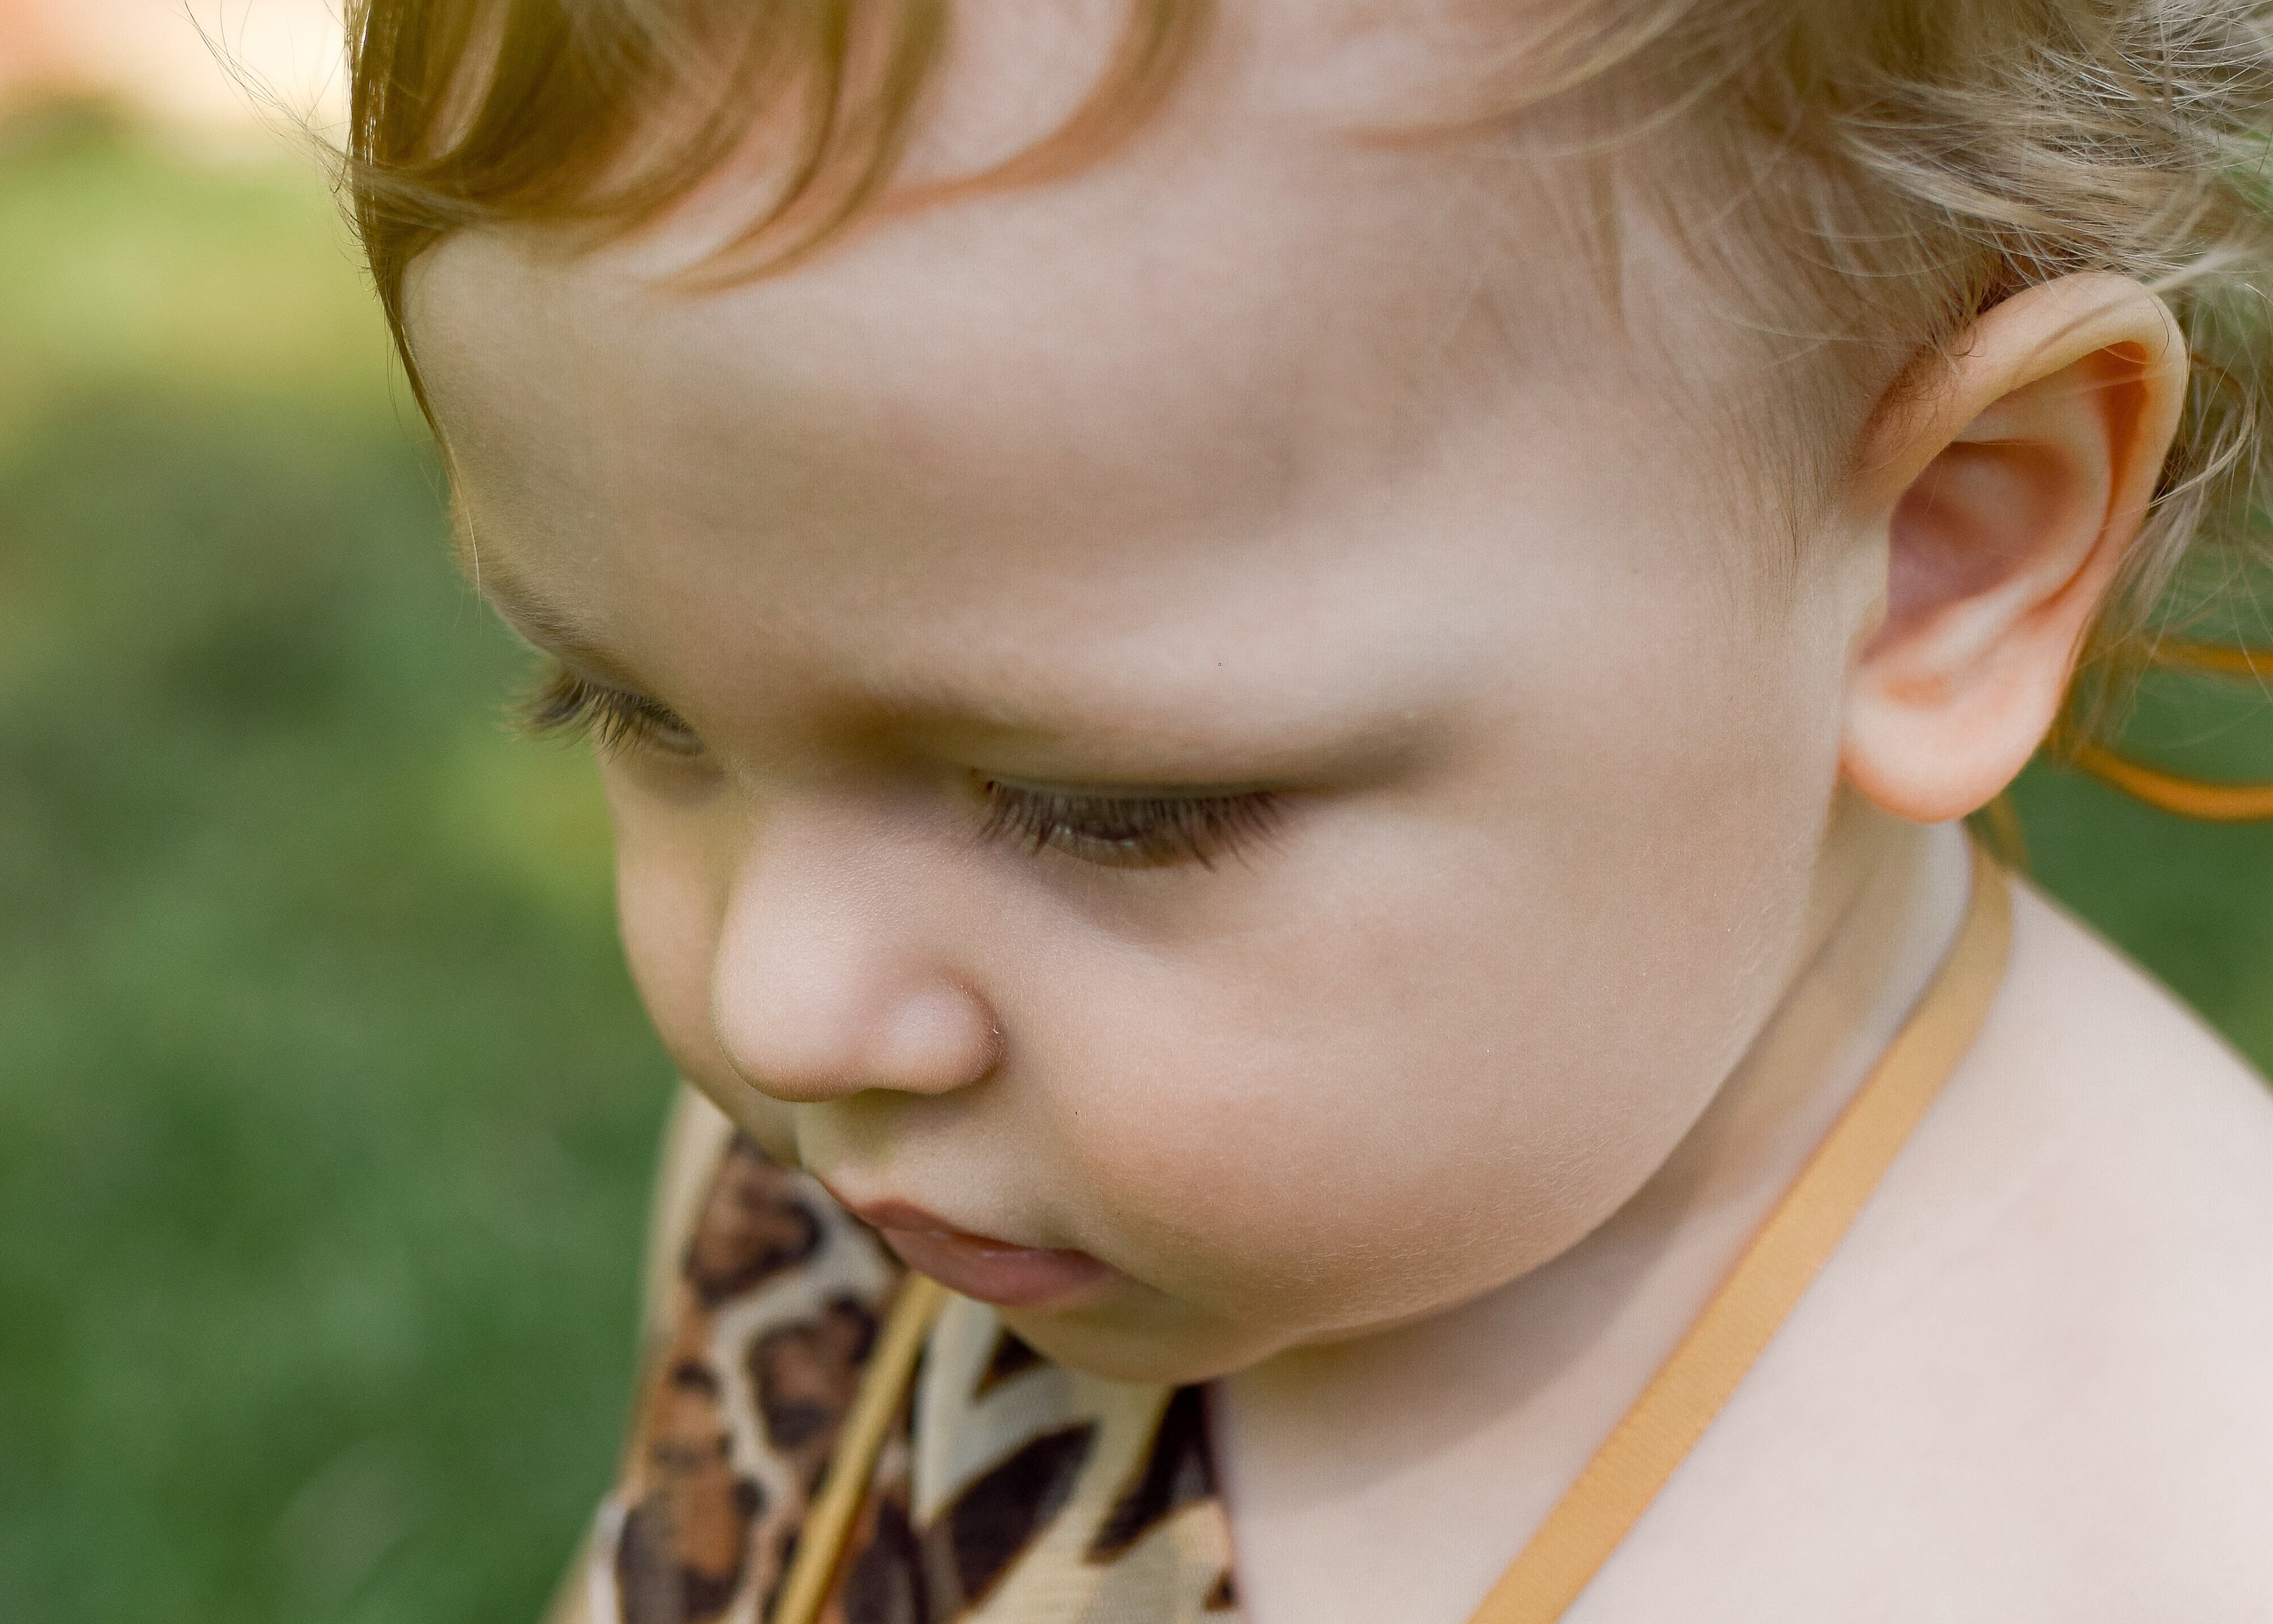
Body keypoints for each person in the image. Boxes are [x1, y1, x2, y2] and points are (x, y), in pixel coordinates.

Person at [339, 2, 2273, 1619]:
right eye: (637, 707)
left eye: (1099, 808)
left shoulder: (2123, 1525)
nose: (779, 1004)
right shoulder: (886, 1202)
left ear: (1940, 552)